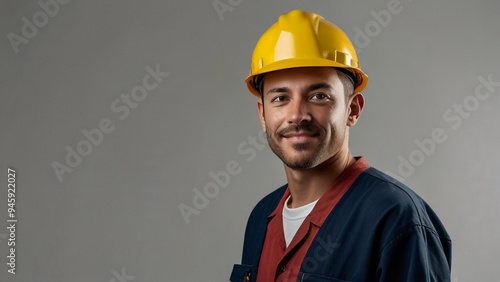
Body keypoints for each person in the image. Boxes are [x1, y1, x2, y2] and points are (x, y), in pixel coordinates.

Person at [230, 10, 452, 282]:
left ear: (352, 109)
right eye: (280, 98)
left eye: (319, 95)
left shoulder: (395, 219)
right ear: (263, 115)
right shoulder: (261, 218)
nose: (297, 114)